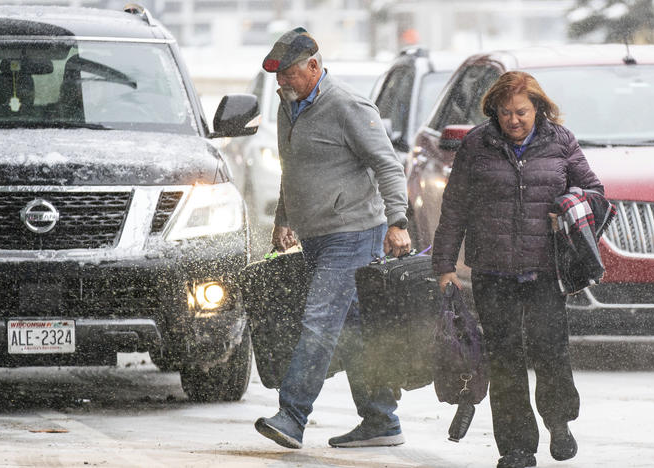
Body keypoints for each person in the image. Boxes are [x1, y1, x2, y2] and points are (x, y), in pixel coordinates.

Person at [432, 71, 603, 468]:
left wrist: (571, 202)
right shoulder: (477, 144)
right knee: (505, 359)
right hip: (493, 271)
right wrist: (444, 266)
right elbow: (454, 208)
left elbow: (595, 192)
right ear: (494, 111)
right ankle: (517, 448)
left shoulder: (561, 141)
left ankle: (558, 422)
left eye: (522, 112)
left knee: (550, 351)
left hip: (546, 270)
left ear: (538, 108)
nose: (514, 120)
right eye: (506, 113)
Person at [253, 27, 411, 449]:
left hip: (354, 232)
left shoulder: (347, 106)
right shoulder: (290, 106)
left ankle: (292, 415)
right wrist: (283, 218)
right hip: (315, 235)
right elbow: (293, 168)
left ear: (314, 67)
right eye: (277, 75)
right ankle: (381, 419)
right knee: (355, 327)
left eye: (287, 73)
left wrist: (398, 220)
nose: (280, 82)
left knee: (319, 323)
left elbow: (388, 166)